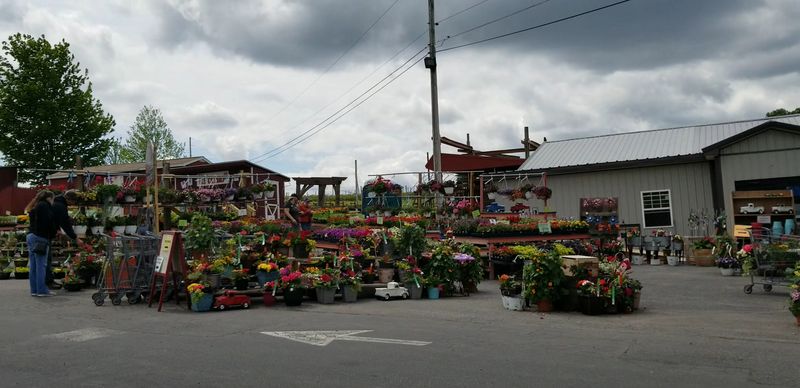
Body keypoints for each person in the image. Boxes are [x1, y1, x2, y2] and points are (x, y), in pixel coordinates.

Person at [24, 190, 58, 297]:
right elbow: (47, 222)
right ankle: (42, 290)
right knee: (41, 266)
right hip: (41, 237)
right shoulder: (44, 206)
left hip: (31, 236)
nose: (53, 202)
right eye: (53, 199)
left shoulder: (36, 205)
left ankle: (34, 290)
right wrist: (53, 233)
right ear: (49, 198)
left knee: (33, 266)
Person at [48, 190, 82, 288]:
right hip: (46, 234)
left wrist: (57, 230)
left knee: (46, 259)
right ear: (68, 199)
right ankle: (48, 282)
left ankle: (47, 281)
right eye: (73, 202)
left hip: (47, 231)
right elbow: (65, 224)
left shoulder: (57, 202)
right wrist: (75, 238)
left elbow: (55, 219)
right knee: (47, 260)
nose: (73, 204)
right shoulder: (61, 206)